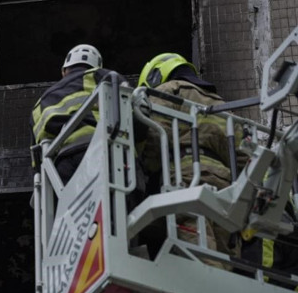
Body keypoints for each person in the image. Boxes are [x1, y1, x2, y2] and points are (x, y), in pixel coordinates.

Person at [137, 53, 243, 260]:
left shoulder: (170, 91)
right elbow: (243, 157)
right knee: (225, 257)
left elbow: (156, 137)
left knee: (200, 253)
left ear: (155, 76)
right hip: (226, 187)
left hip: (187, 180)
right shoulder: (225, 108)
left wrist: (146, 170)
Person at [30, 44, 125, 184]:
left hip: (61, 168)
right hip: (100, 150)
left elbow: (35, 160)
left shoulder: (39, 104)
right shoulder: (101, 75)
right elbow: (129, 106)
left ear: (64, 71)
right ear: (95, 66)